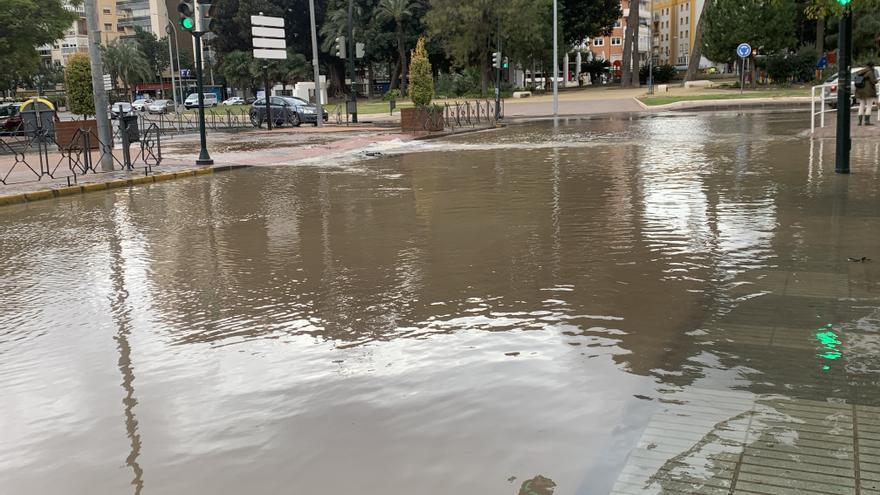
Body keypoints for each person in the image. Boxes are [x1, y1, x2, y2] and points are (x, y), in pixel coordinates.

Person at [855, 62, 878, 126]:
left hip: (860, 90)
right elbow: (873, 81)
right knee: (869, 105)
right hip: (868, 91)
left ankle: (859, 122)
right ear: (872, 66)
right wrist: (877, 80)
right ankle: (867, 121)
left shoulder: (861, 72)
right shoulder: (870, 72)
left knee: (861, 105)